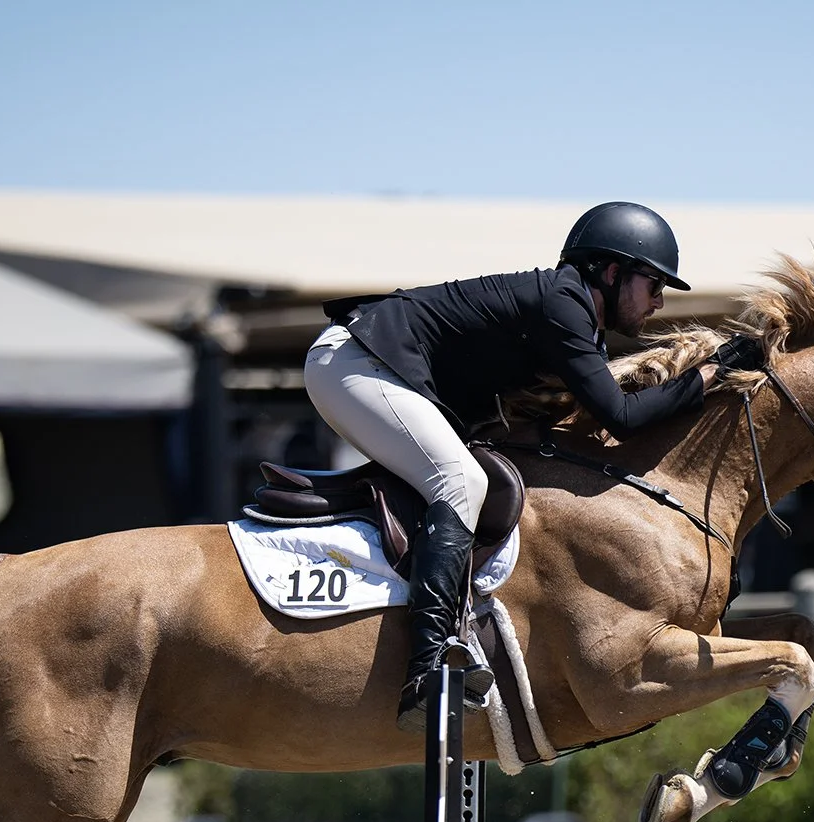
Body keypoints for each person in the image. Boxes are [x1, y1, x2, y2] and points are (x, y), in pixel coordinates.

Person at [305, 201, 760, 732]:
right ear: (612, 273)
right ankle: (428, 668)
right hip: (355, 363)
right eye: (654, 284)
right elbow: (623, 416)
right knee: (460, 481)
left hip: (379, 370)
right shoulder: (563, 304)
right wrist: (712, 373)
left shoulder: (574, 313)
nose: (659, 302)